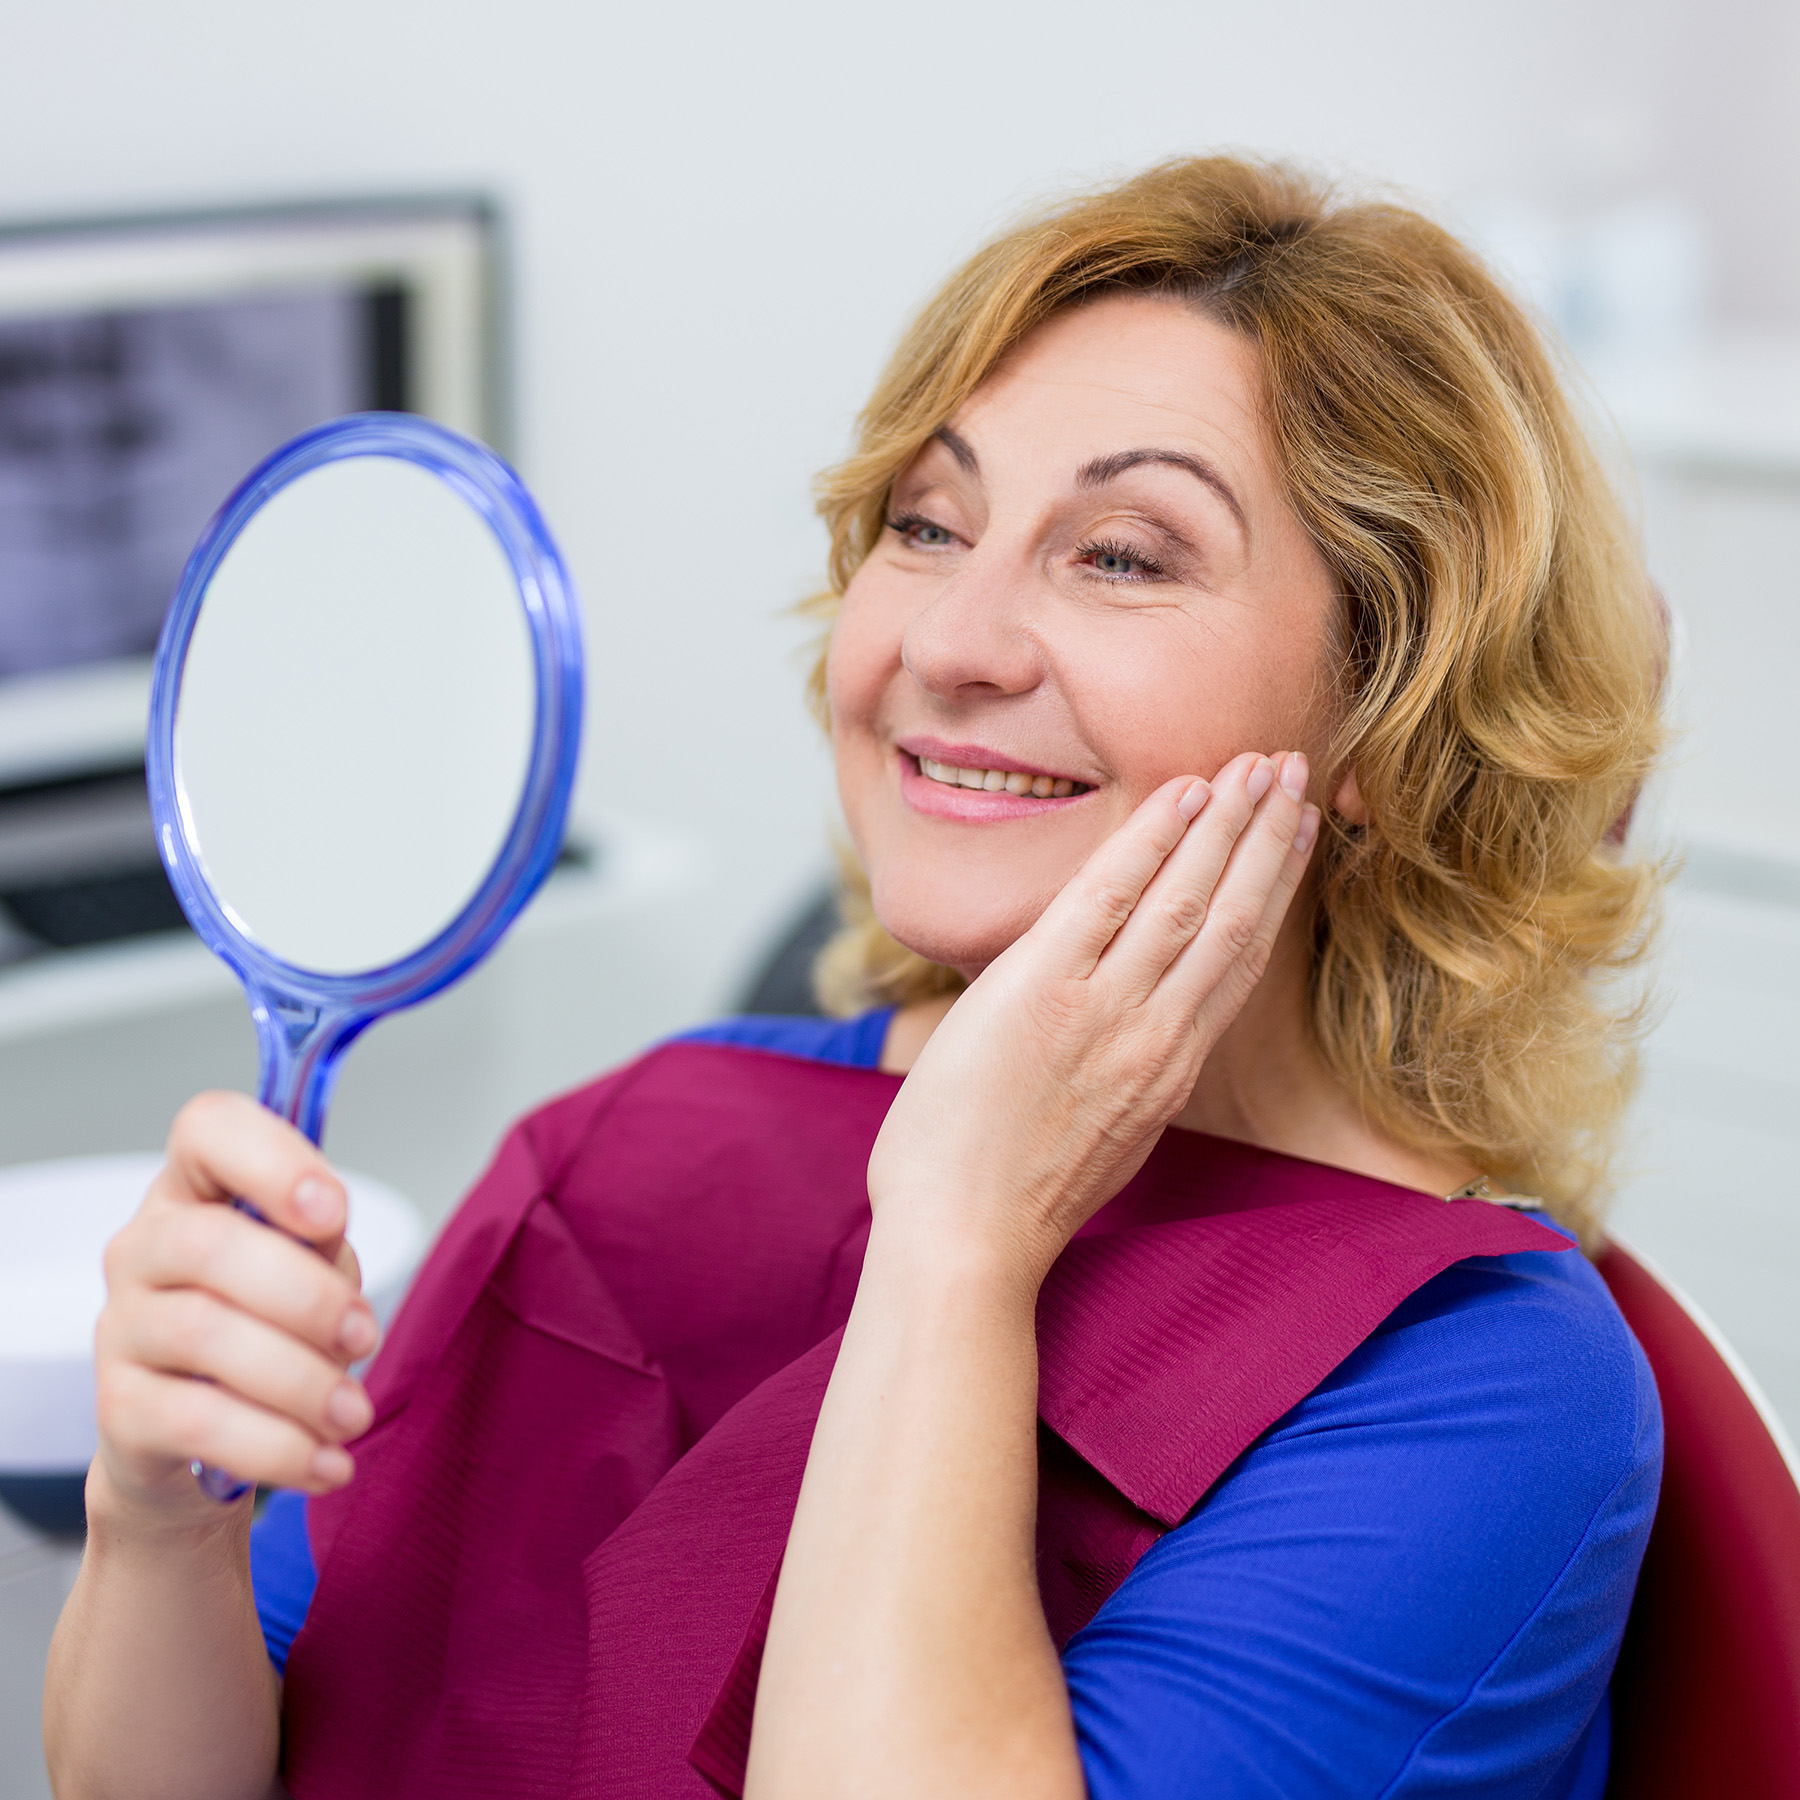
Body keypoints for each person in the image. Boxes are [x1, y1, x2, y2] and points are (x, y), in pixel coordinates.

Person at [45, 156, 1666, 1800]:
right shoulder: (630, 1145)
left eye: (1121, 554)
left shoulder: (1480, 1389)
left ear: (1394, 720)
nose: (950, 642)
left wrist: (962, 1237)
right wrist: (154, 1523)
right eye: (927, 523)